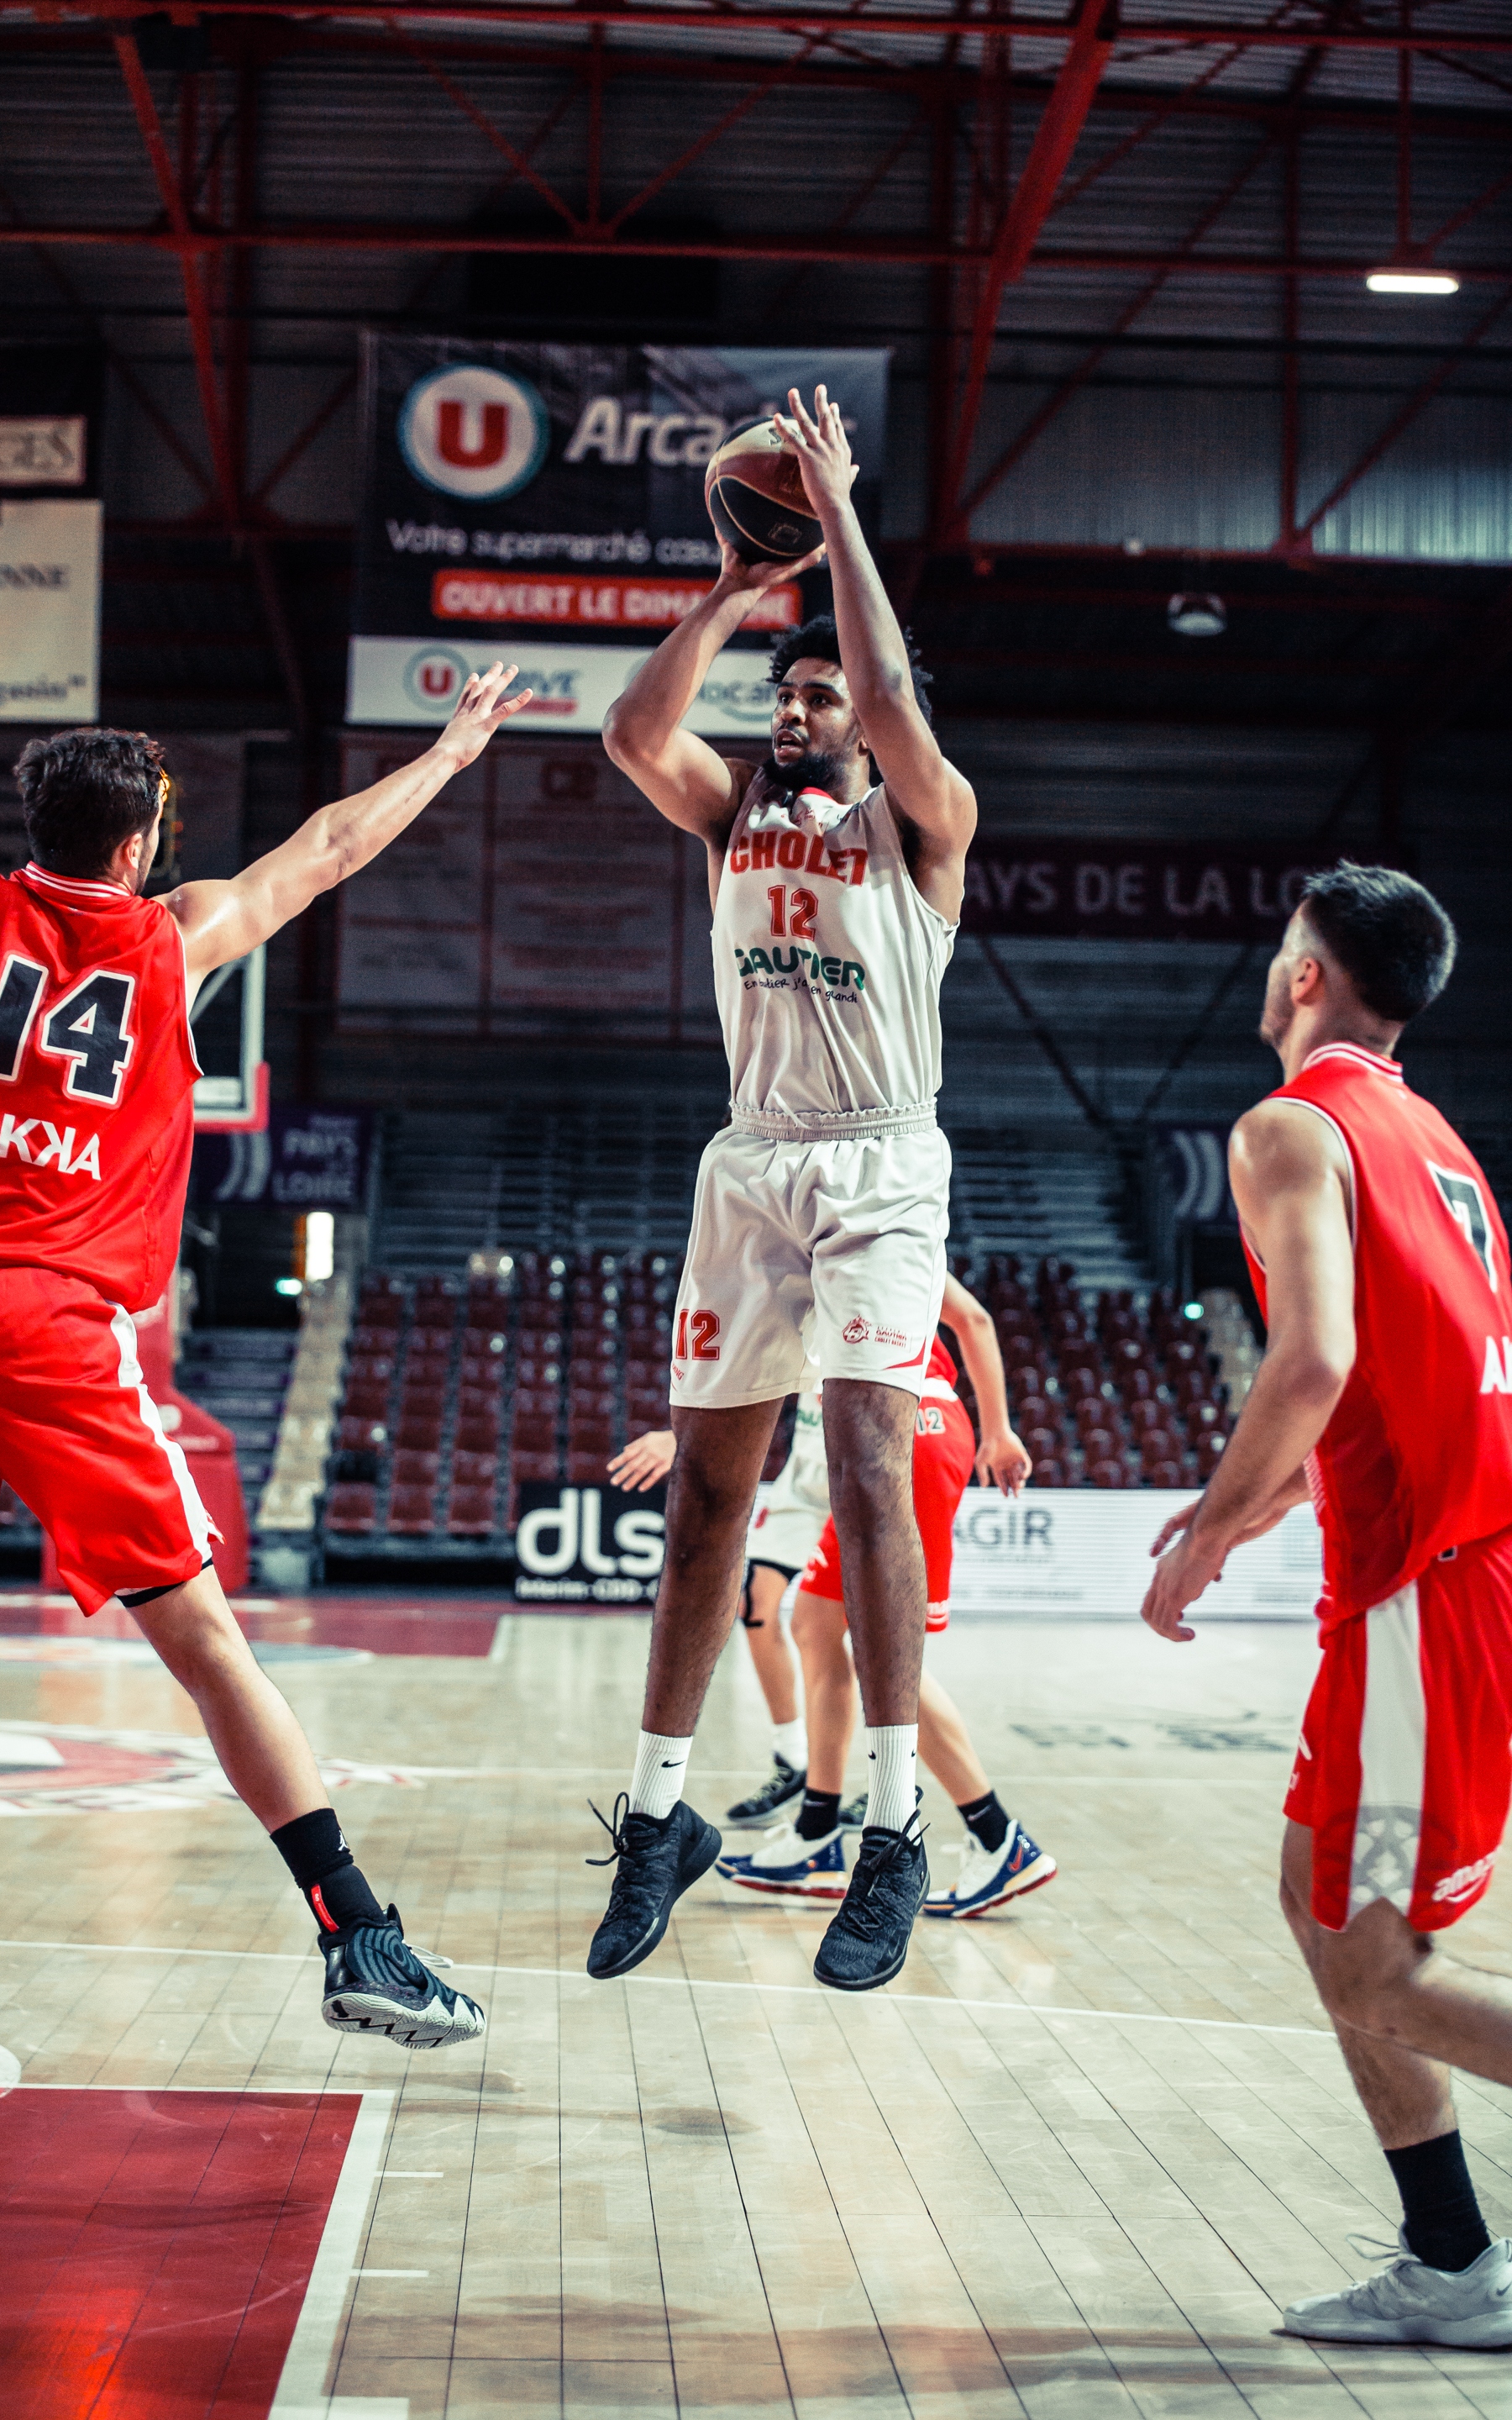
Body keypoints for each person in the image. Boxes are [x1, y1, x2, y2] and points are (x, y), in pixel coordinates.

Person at [0, 668, 530, 2050]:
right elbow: (333, 843)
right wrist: (454, 747)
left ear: (33, 827)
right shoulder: (177, 939)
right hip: (46, 1330)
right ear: (136, 847)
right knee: (205, 1646)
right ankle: (361, 1934)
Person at [589, 385, 978, 1994]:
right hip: (751, 1159)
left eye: (827, 697)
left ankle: (891, 1834)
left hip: (884, 1153)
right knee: (706, 1507)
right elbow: (630, 733)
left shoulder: (925, 828)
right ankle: (662, 1814)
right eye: (791, 694)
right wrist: (739, 591)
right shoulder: (729, 813)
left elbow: (890, 685)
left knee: (872, 1463)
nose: (806, 709)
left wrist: (837, 525)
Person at [1141, 862, 1512, 2349]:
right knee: (1317, 1894)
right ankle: (1450, 2259)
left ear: (1306, 977)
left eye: (1280, 953)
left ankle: (1463, 2269)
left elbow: (1310, 1364)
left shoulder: (1289, 1125)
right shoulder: (1435, 1139)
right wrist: (1286, 1496)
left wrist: (1212, 1538)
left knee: (1374, 1962)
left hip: (1434, 1587)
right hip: (1443, 1570)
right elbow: (1412, 1376)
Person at [718, 1276, 1054, 1928]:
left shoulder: (801, 1232)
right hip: (901, 1426)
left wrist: (688, 1438)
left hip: (902, 1434)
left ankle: (997, 1839)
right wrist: (997, 1430)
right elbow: (975, 1321)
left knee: (881, 1652)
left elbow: (754, 1354)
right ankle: (817, 1833)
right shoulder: (896, 1223)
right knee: (817, 1623)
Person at [610, 1396, 869, 1833]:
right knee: (755, 1605)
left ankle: (890, 1784)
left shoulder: (887, 1327)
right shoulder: (802, 1327)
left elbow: (971, 1325)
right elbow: (757, 1381)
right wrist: (686, 1437)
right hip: (806, 1484)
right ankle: (793, 1759)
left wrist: (995, 1429)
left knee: (866, 1635)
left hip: (865, 1475)